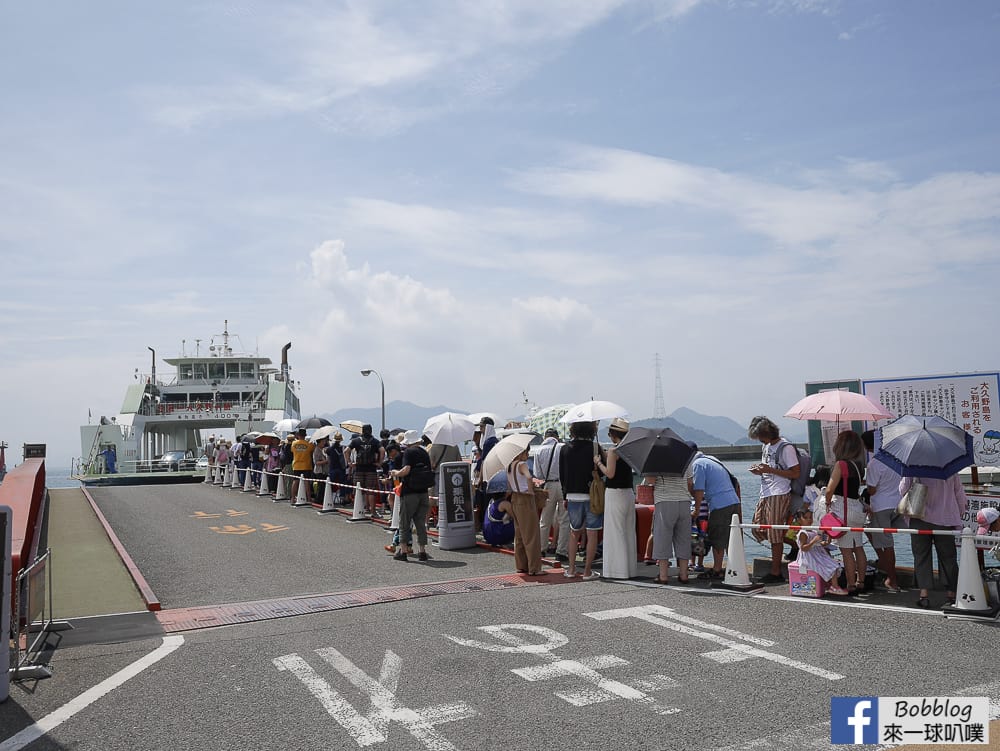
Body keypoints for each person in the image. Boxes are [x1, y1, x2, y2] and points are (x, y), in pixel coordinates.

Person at [900, 472, 967, 609]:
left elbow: (902, 490)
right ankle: (951, 593)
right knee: (948, 557)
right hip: (945, 517)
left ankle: (924, 595)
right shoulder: (949, 468)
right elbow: (959, 492)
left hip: (919, 516)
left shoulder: (915, 466)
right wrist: (960, 510)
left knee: (921, 556)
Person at [747, 416, 801, 584]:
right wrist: (761, 470)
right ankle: (797, 544)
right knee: (758, 528)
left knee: (774, 533)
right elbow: (768, 468)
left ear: (767, 433)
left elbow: (795, 473)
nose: (760, 441)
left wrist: (769, 469)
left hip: (779, 492)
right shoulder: (767, 446)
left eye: (760, 437)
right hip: (766, 491)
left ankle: (776, 571)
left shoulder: (785, 448)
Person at [824, 430, 867, 595]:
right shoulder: (858, 465)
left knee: (846, 550)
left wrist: (828, 503)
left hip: (843, 509)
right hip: (856, 509)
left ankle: (850, 585)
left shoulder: (840, 464)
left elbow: (829, 490)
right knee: (858, 547)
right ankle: (861, 581)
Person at [559, 421, 602, 580]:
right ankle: (587, 571)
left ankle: (571, 570)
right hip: (592, 496)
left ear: (573, 430)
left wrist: (565, 496)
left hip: (572, 496)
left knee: (573, 533)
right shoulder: (595, 447)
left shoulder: (564, 449)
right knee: (592, 534)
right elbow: (602, 472)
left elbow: (562, 476)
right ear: (591, 430)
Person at [861, 430, 903, 592]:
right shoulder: (895, 459)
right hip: (897, 504)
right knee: (875, 534)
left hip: (880, 506)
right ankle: (885, 565)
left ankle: (892, 579)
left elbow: (871, 490)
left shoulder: (874, 464)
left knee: (886, 543)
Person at [688, 452, 742, 581]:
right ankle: (736, 568)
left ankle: (717, 570)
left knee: (717, 536)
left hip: (720, 504)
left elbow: (699, 490)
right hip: (733, 501)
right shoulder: (711, 459)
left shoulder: (698, 465)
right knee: (731, 537)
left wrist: (696, 510)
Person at [595, 417, 636, 580]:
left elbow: (610, 473)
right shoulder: (630, 449)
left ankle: (618, 571)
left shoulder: (613, 451)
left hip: (614, 493)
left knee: (615, 531)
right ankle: (630, 569)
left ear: (613, 434)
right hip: (628, 493)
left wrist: (599, 462)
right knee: (627, 531)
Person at [390, 435, 434, 562]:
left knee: (404, 521)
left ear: (408, 443)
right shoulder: (424, 452)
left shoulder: (409, 452)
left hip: (410, 491)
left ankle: (403, 551)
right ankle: (422, 551)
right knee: (420, 522)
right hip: (424, 492)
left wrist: (396, 473)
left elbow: (406, 469)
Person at [645, 470, 692, 585]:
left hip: (665, 500)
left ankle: (663, 576)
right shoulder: (685, 457)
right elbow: (690, 482)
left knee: (663, 537)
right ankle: (684, 574)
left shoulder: (658, 457)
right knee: (684, 539)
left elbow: (651, 480)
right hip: (684, 501)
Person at [791, 507, 850, 596]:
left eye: (810, 517)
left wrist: (826, 542)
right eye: (806, 518)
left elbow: (818, 544)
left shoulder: (813, 531)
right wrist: (813, 541)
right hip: (809, 556)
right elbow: (803, 548)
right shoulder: (803, 533)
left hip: (817, 553)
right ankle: (834, 586)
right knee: (831, 566)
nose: (809, 520)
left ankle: (828, 584)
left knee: (834, 564)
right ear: (799, 520)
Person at [506, 447, 544, 576]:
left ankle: (521, 565)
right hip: (525, 499)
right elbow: (528, 477)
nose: (527, 454)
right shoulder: (522, 464)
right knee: (532, 535)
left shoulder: (510, 466)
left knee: (520, 535)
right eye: (526, 452)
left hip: (515, 498)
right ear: (520, 453)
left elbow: (509, 485)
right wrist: (531, 491)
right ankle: (535, 568)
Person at [532, 428, 568, 560]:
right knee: (564, 519)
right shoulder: (562, 447)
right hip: (563, 485)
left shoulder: (538, 451)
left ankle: (541, 549)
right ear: (556, 437)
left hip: (548, 485)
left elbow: (538, 474)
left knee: (545, 519)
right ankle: (561, 551)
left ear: (545, 437)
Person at [346, 424, 385, 517]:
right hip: (371, 469)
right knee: (371, 491)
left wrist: (349, 462)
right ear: (371, 431)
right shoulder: (375, 441)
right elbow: (382, 451)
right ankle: (373, 512)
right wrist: (379, 462)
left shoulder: (356, 441)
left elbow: (346, 451)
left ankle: (358, 511)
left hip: (359, 468)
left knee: (359, 490)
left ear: (362, 431)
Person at [290, 428, 314, 503]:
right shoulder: (309, 444)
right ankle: (309, 498)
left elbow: (292, 451)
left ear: (298, 435)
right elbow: (312, 450)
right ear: (305, 435)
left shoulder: (294, 443)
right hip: (306, 465)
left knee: (295, 481)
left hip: (296, 465)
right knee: (306, 482)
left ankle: (293, 498)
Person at [326, 432, 349, 504]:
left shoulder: (329, 449)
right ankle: (342, 498)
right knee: (342, 484)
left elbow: (328, 458)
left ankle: (330, 498)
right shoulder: (343, 448)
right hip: (341, 469)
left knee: (330, 484)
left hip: (332, 468)